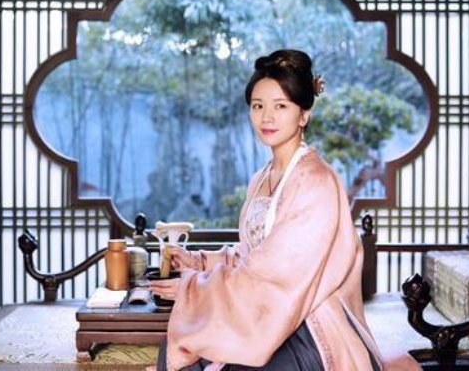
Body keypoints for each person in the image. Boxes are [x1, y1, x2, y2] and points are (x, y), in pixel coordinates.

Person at [149, 49, 420, 371]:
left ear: (303, 114)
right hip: (271, 312)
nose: (267, 117)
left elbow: (276, 272)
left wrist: (195, 288)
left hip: (312, 324)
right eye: (257, 106)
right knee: (181, 351)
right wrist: (199, 261)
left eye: (280, 106)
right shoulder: (261, 178)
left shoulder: (316, 180)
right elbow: (254, 256)